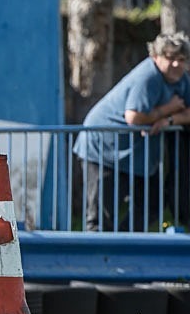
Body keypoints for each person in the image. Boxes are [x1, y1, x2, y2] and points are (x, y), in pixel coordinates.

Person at [73, 32, 190, 232]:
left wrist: (170, 120)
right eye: (170, 58)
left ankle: (124, 245)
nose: (176, 64)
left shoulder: (181, 80)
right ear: (155, 56)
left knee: (153, 202)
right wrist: (168, 109)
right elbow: (134, 117)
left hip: (135, 154)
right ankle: (99, 250)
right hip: (103, 147)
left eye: (181, 59)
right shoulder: (149, 76)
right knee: (100, 217)